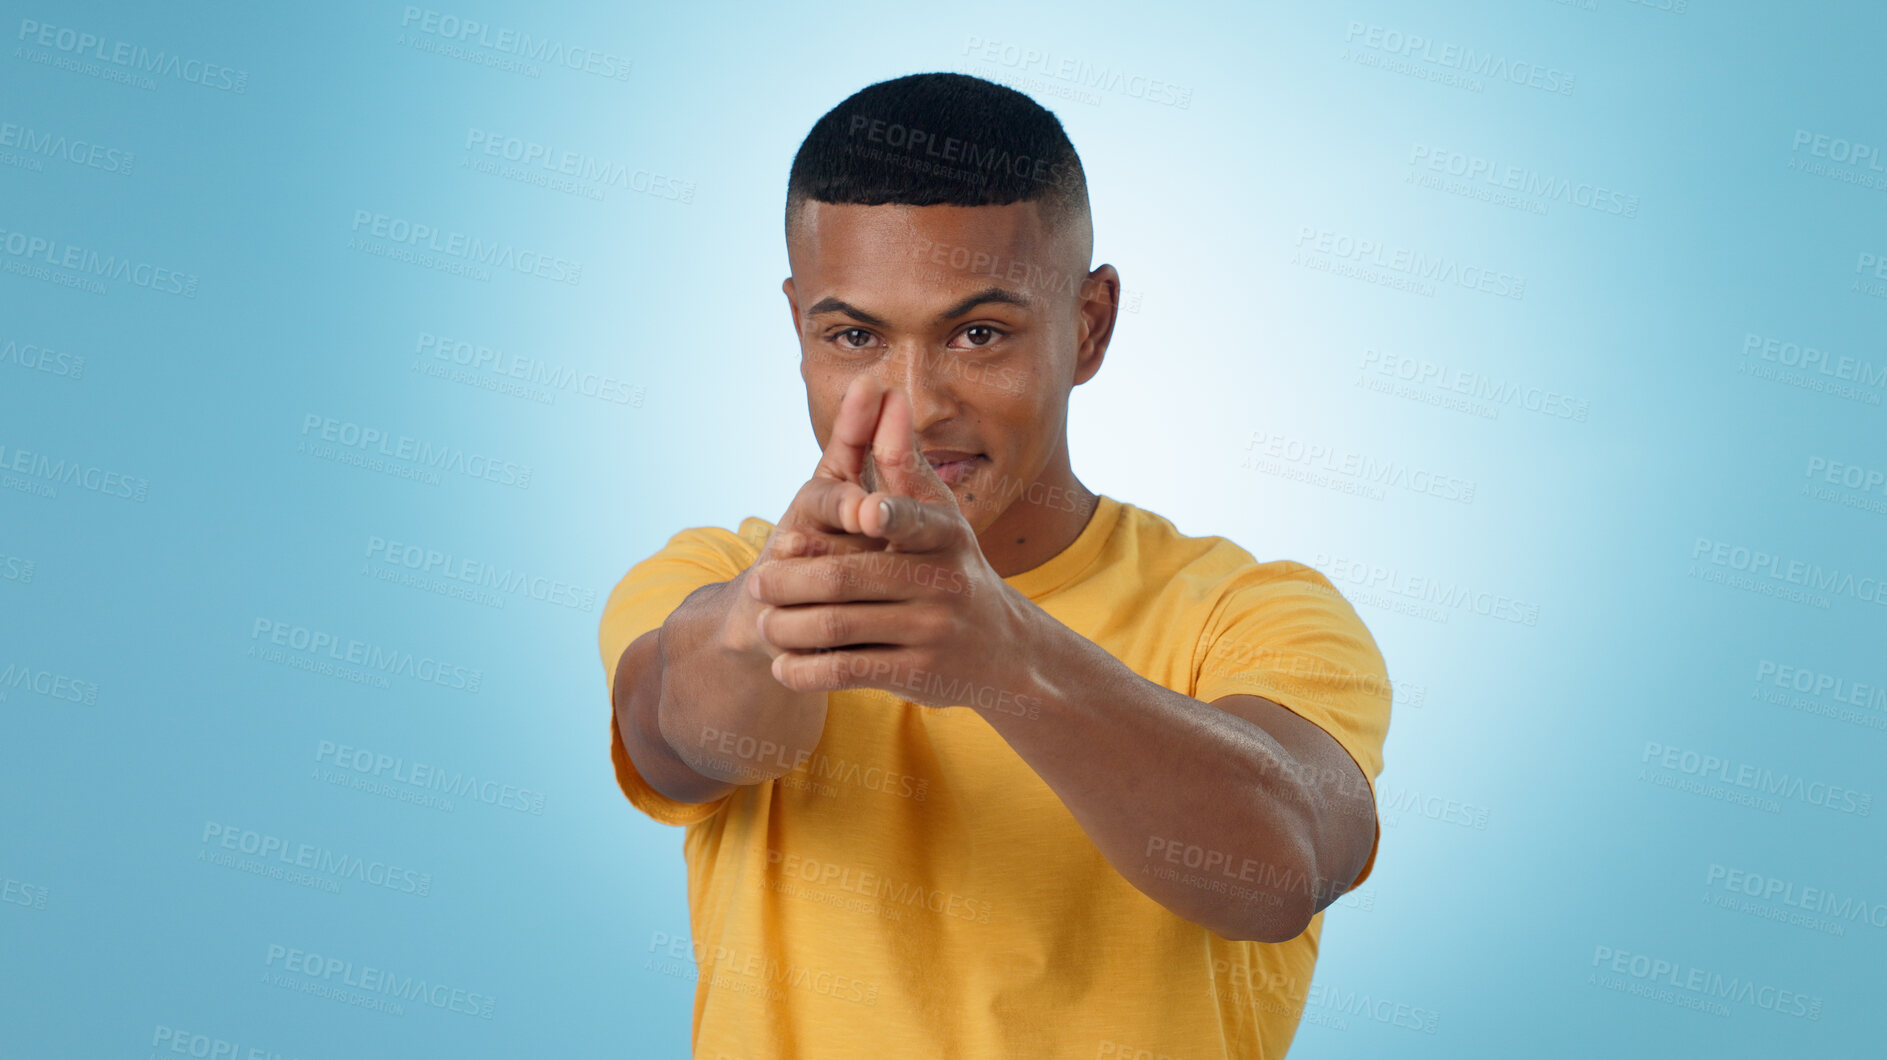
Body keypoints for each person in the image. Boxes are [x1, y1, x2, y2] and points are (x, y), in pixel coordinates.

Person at [599, 71, 1393, 1059]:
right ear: (797, 330)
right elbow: (676, 730)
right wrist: (761, 629)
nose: (920, 403)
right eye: (855, 336)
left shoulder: (1256, 611)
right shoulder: (714, 575)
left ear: (1089, 326)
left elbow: (1285, 865)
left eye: (979, 334)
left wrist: (1005, 656)